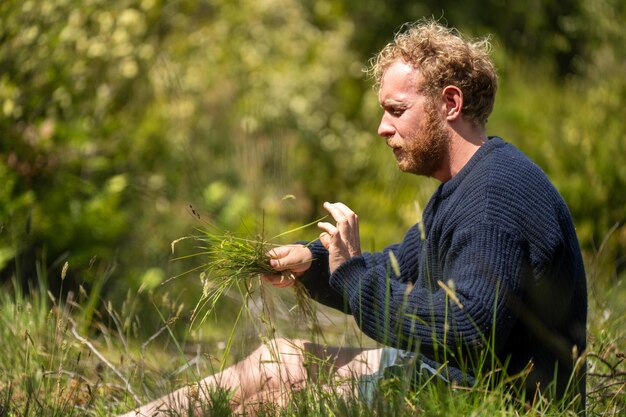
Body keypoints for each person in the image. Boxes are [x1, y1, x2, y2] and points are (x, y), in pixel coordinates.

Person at [120, 19, 587, 416]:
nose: (384, 127)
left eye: (396, 110)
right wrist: (315, 263)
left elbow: (467, 329)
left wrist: (353, 274)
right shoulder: (462, 186)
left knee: (280, 399)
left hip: (496, 401)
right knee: (279, 359)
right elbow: (401, 267)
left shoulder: (494, 196)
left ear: (450, 103)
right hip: (454, 379)